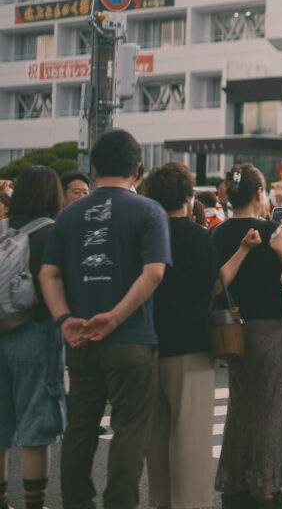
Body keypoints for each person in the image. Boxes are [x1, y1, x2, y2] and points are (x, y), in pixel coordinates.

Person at [39, 129, 170, 509]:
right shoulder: (149, 211)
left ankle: (78, 503)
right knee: (130, 432)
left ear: (92, 168)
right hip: (131, 338)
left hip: (80, 340)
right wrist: (114, 317)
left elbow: (49, 274)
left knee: (80, 428)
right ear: (139, 169)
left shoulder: (69, 214)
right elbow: (154, 273)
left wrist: (64, 319)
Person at [212, 163, 282, 508]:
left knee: (241, 406)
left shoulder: (218, 232)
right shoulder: (269, 230)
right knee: (271, 407)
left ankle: (235, 484)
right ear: (258, 193)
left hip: (232, 329)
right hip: (268, 327)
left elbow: (216, 282)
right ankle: (265, 489)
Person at [141, 162, 220, 509]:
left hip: (146, 344)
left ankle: (159, 501)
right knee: (190, 439)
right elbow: (212, 286)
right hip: (190, 346)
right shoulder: (196, 235)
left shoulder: (142, 233)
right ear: (188, 197)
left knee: (155, 439)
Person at [0, 166, 65, 509]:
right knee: (35, 431)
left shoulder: (1, 230)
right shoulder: (52, 233)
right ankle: (34, 505)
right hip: (36, 336)